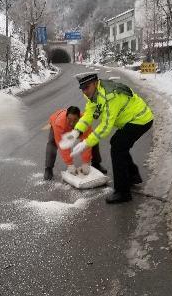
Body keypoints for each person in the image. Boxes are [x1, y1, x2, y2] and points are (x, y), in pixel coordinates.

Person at [61, 73, 153, 203]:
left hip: (140, 119)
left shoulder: (110, 96)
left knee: (117, 148)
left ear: (95, 83)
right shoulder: (94, 94)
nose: (85, 91)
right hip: (130, 120)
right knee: (117, 143)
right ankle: (133, 176)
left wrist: (86, 143)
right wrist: (76, 131)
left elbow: (105, 126)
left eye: (87, 87)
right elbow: (89, 114)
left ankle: (123, 192)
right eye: (82, 88)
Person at [44, 106, 107, 180]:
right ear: (66, 117)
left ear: (79, 118)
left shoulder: (85, 121)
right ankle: (48, 168)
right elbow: (63, 146)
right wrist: (69, 164)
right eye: (69, 119)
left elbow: (87, 142)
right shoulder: (59, 123)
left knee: (93, 139)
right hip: (58, 122)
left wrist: (85, 162)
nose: (71, 123)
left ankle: (96, 164)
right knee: (52, 143)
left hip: (78, 128)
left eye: (75, 120)